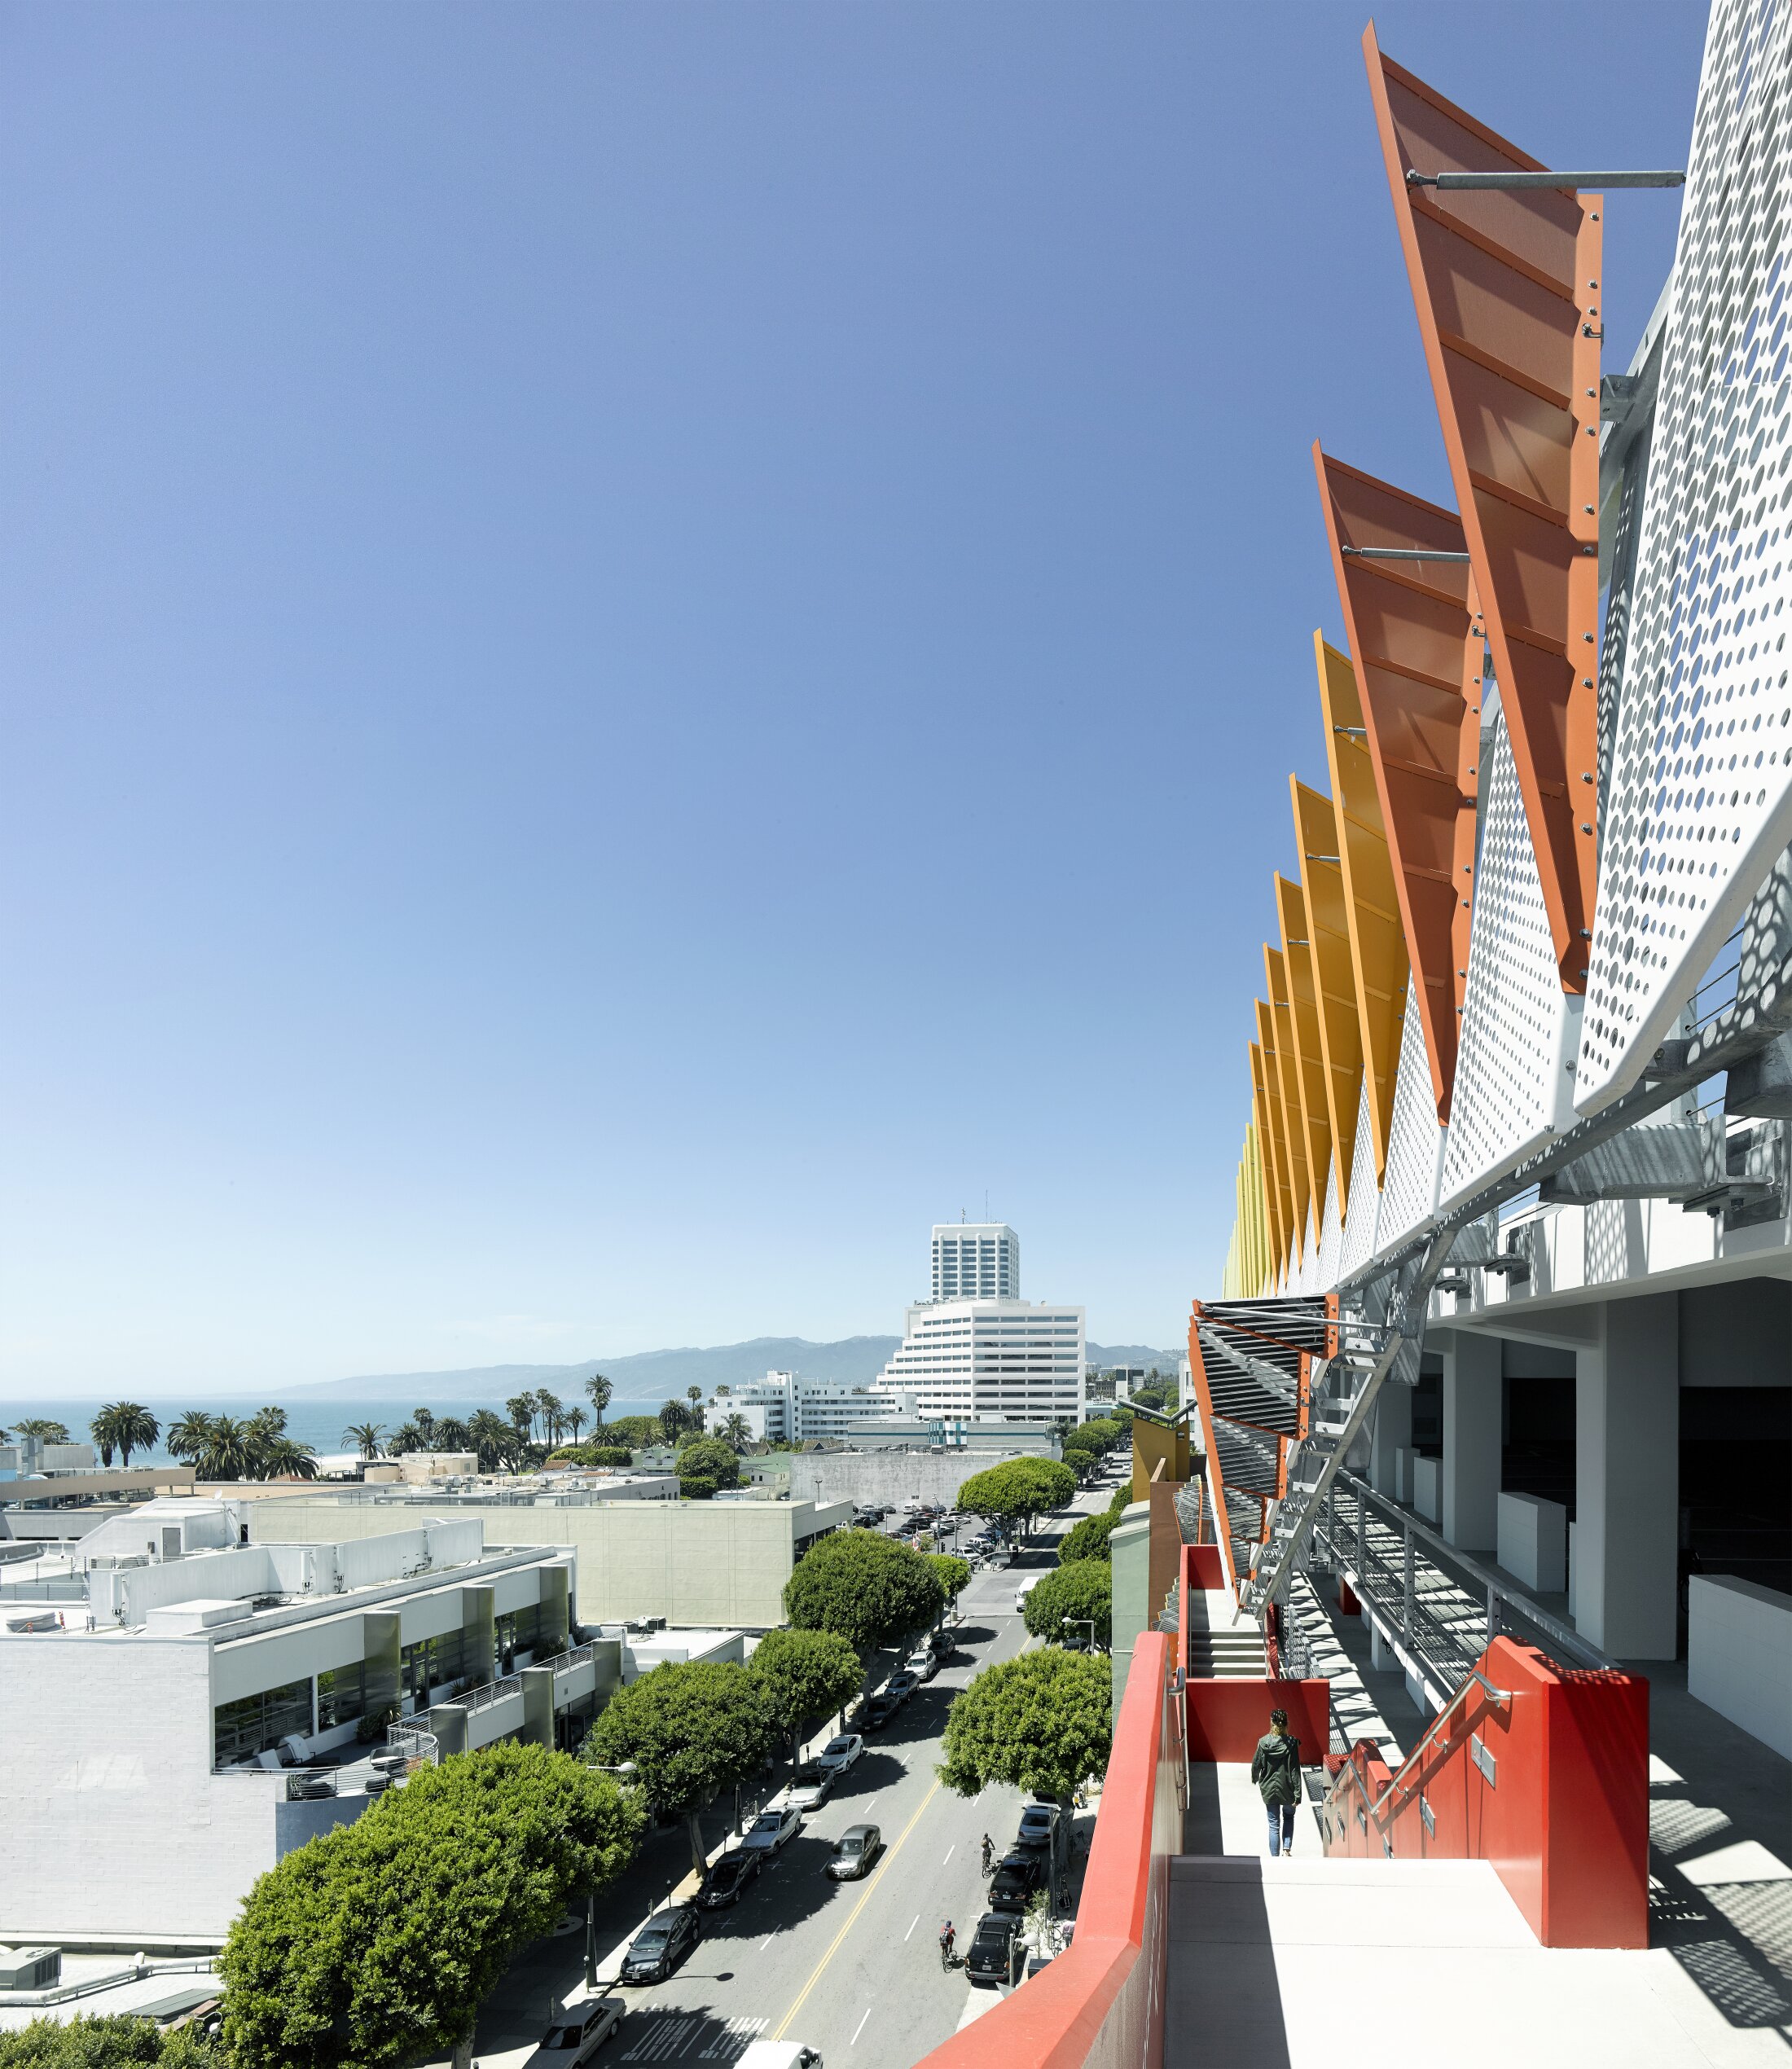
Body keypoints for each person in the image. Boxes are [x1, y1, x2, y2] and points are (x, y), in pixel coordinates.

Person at [1250, 1707, 1302, 1859]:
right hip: (1288, 1789)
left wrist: (1255, 1778)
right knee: (1289, 1817)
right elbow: (1295, 1770)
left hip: (1269, 1789)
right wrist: (1298, 1795)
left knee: (1274, 1824)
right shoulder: (1292, 1744)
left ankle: (1274, 1857)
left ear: (1271, 1722)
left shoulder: (1263, 1742)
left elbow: (1256, 1764)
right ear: (1287, 1724)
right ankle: (1286, 1850)